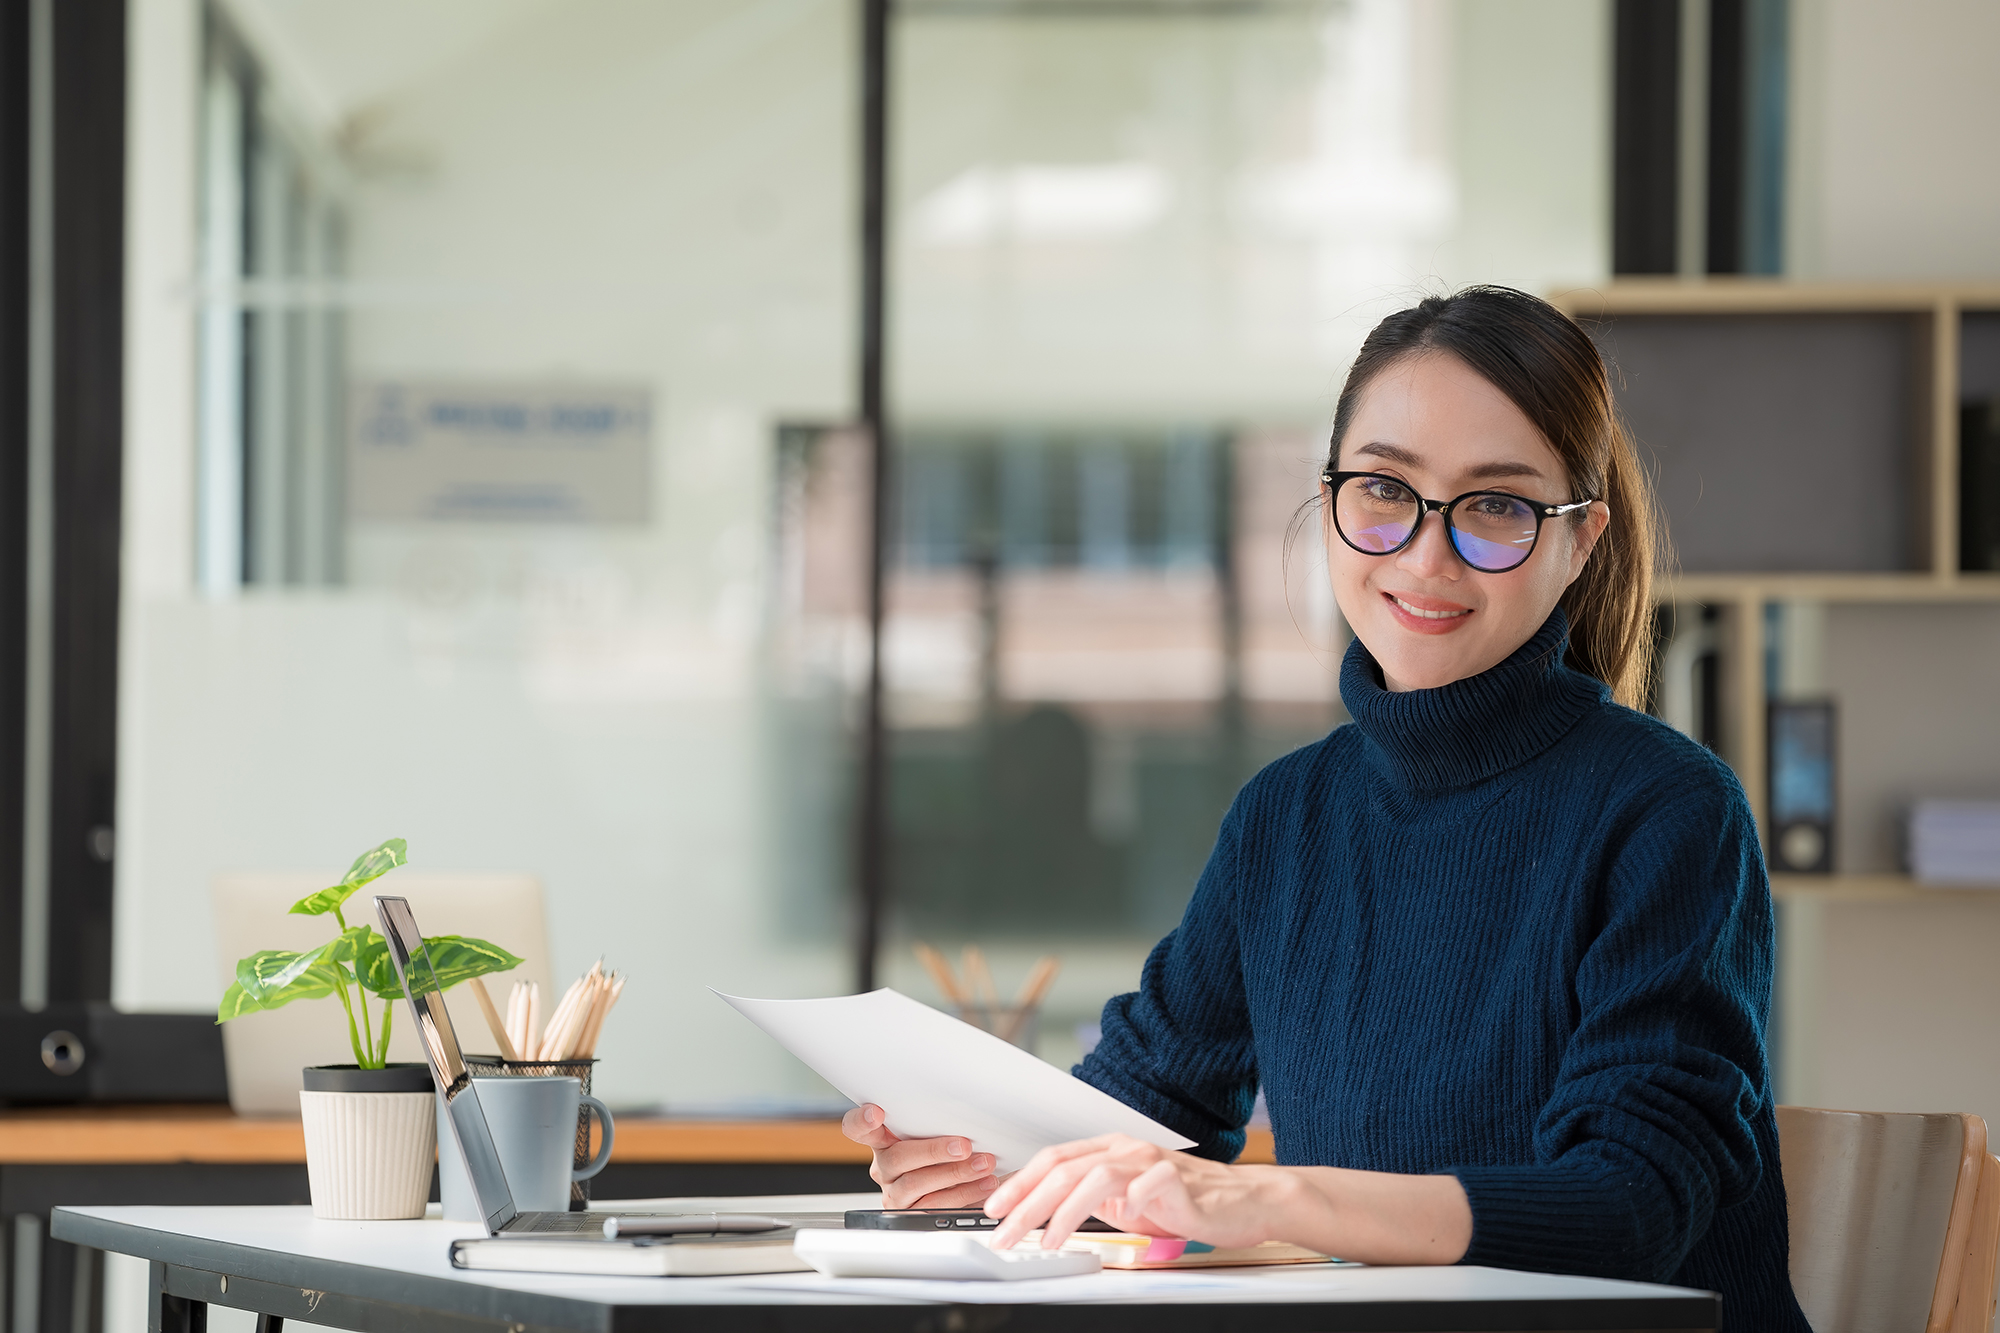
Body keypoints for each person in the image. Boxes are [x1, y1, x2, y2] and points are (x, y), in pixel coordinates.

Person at [842, 286, 1809, 1331]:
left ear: (1577, 541)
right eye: (1385, 490)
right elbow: (1144, 1109)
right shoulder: (1286, 817)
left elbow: (1629, 1204)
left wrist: (1275, 1198)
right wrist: (991, 1165)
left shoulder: (1666, 811)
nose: (1427, 555)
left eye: (1496, 506)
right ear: (1332, 497)